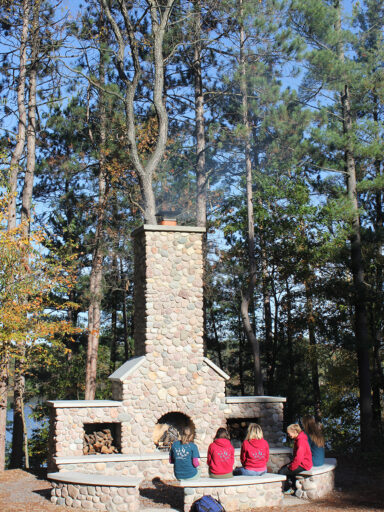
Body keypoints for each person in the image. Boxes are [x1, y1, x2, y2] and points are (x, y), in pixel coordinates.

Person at [279, 423, 313, 494]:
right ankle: (291, 487)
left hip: (304, 464)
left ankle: (282, 491)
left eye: (289, 433)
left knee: (282, 472)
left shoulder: (301, 441)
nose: (288, 435)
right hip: (302, 463)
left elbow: (299, 457)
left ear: (295, 432)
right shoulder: (299, 439)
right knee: (284, 469)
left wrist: (292, 467)